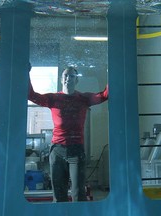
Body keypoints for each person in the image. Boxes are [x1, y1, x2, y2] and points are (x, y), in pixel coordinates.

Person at [28, 64, 108, 202]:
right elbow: (31, 95)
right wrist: (26, 72)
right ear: (61, 79)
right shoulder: (53, 98)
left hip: (76, 150)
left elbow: (104, 95)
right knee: (59, 195)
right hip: (57, 151)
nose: (68, 78)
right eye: (65, 75)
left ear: (76, 81)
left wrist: (112, 71)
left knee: (78, 194)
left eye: (72, 76)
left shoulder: (83, 98)